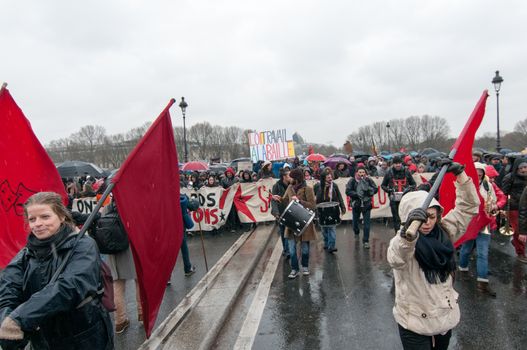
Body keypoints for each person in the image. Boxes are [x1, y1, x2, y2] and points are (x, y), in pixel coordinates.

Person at [0, 192, 113, 349]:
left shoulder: (83, 246)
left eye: (45, 217)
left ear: (61, 217)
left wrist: (22, 317)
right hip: (43, 342)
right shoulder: (26, 253)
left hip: (84, 338)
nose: (37, 224)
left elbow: (70, 286)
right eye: (32, 219)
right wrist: (7, 320)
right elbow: (8, 287)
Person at [387, 160, 479, 350]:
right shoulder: (403, 241)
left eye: (432, 216)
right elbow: (396, 257)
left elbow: (468, 207)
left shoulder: (445, 231)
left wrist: (461, 176)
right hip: (414, 324)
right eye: (421, 218)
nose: (427, 223)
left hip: (444, 319)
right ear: (408, 218)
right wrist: (408, 235)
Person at [458, 163, 500, 297]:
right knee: (465, 250)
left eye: (480, 171)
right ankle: (463, 271)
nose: (479, 173)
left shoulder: (488, 185)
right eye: (476, 171)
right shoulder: (466, 185)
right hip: (470, 223)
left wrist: (493, 207)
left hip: (483, 225)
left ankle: (482, 284)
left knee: (483, 253)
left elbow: (493, 200)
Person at [102, 200, 142, 334]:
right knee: (139, 281)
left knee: (117, 284)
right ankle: (142, 314)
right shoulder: (132, 203)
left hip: (115, 250)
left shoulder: (107, 207)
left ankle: (120, 321)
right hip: (133, 247)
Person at [275, 168, 317, 279]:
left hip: (304, 223)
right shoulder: (289, 188)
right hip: (291, 222)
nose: (289, 178)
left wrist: (299, 201)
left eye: (291, 177)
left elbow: (313, 206)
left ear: (296, 178)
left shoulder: (307, 189)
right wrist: (278, 199)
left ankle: (305, 267)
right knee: (292, 249)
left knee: (305, 249)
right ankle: (294, 269)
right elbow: (285, 201)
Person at [501, 157, 527, 263]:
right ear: (517, 168)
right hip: (514, 207)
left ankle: (516, 243)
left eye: (526, 167)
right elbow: (504, 194)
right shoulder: (509, 177)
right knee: (519, 231)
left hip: (525, 206)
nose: (524, 170)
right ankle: (520, 253)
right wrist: (503, 209)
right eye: (522, 167)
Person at [346, 165, 378, 248]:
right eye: (360, 172)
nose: (361, 174)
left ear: (365, 173)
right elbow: (348, 191)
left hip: (367, 204)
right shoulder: (352, 181)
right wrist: (357, 194)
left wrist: (369, 191)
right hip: (356, 204)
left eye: (363, 172)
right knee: (355, 223)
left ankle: (366, 241)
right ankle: (356, 232)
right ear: (357, 173)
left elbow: (375, 189)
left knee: (367, 224)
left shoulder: (369, 180)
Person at [381, 156, 417, 233]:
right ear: (393, 164)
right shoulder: (389, 172)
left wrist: (408, 189)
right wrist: (389, 190)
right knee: (396, 218)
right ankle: (397, 235)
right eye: (396, 163)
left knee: (406, 217)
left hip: (405, 199)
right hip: (394, 199)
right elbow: (383, 185)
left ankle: (406, 234)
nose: (398, 165)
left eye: (399, 163)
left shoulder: (407, 172)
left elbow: (414, 184)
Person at [316, 168, 346, 253]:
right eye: (328, 177)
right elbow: (317, 199)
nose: (330, 179)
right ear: (324, 178)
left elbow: (339, 197)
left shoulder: (334, 185)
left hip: (332, 210)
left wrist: (342, 207)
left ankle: (331, 246)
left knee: (332, 228)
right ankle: (326, 243)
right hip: (322, 210)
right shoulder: (318, 186)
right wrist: (324, 189)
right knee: (324, 229)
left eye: (330, 177)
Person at [271, 168, 292, 258]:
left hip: (291, 212)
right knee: (284, 232)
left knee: (290, 232)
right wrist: (276, 213)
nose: (291, 177)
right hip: (281, 212)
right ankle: (286, 250)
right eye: (289, 175)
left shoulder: (292, 185)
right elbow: (274, 200)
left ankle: (289, 249)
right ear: (284, 177)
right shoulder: (276, 186)